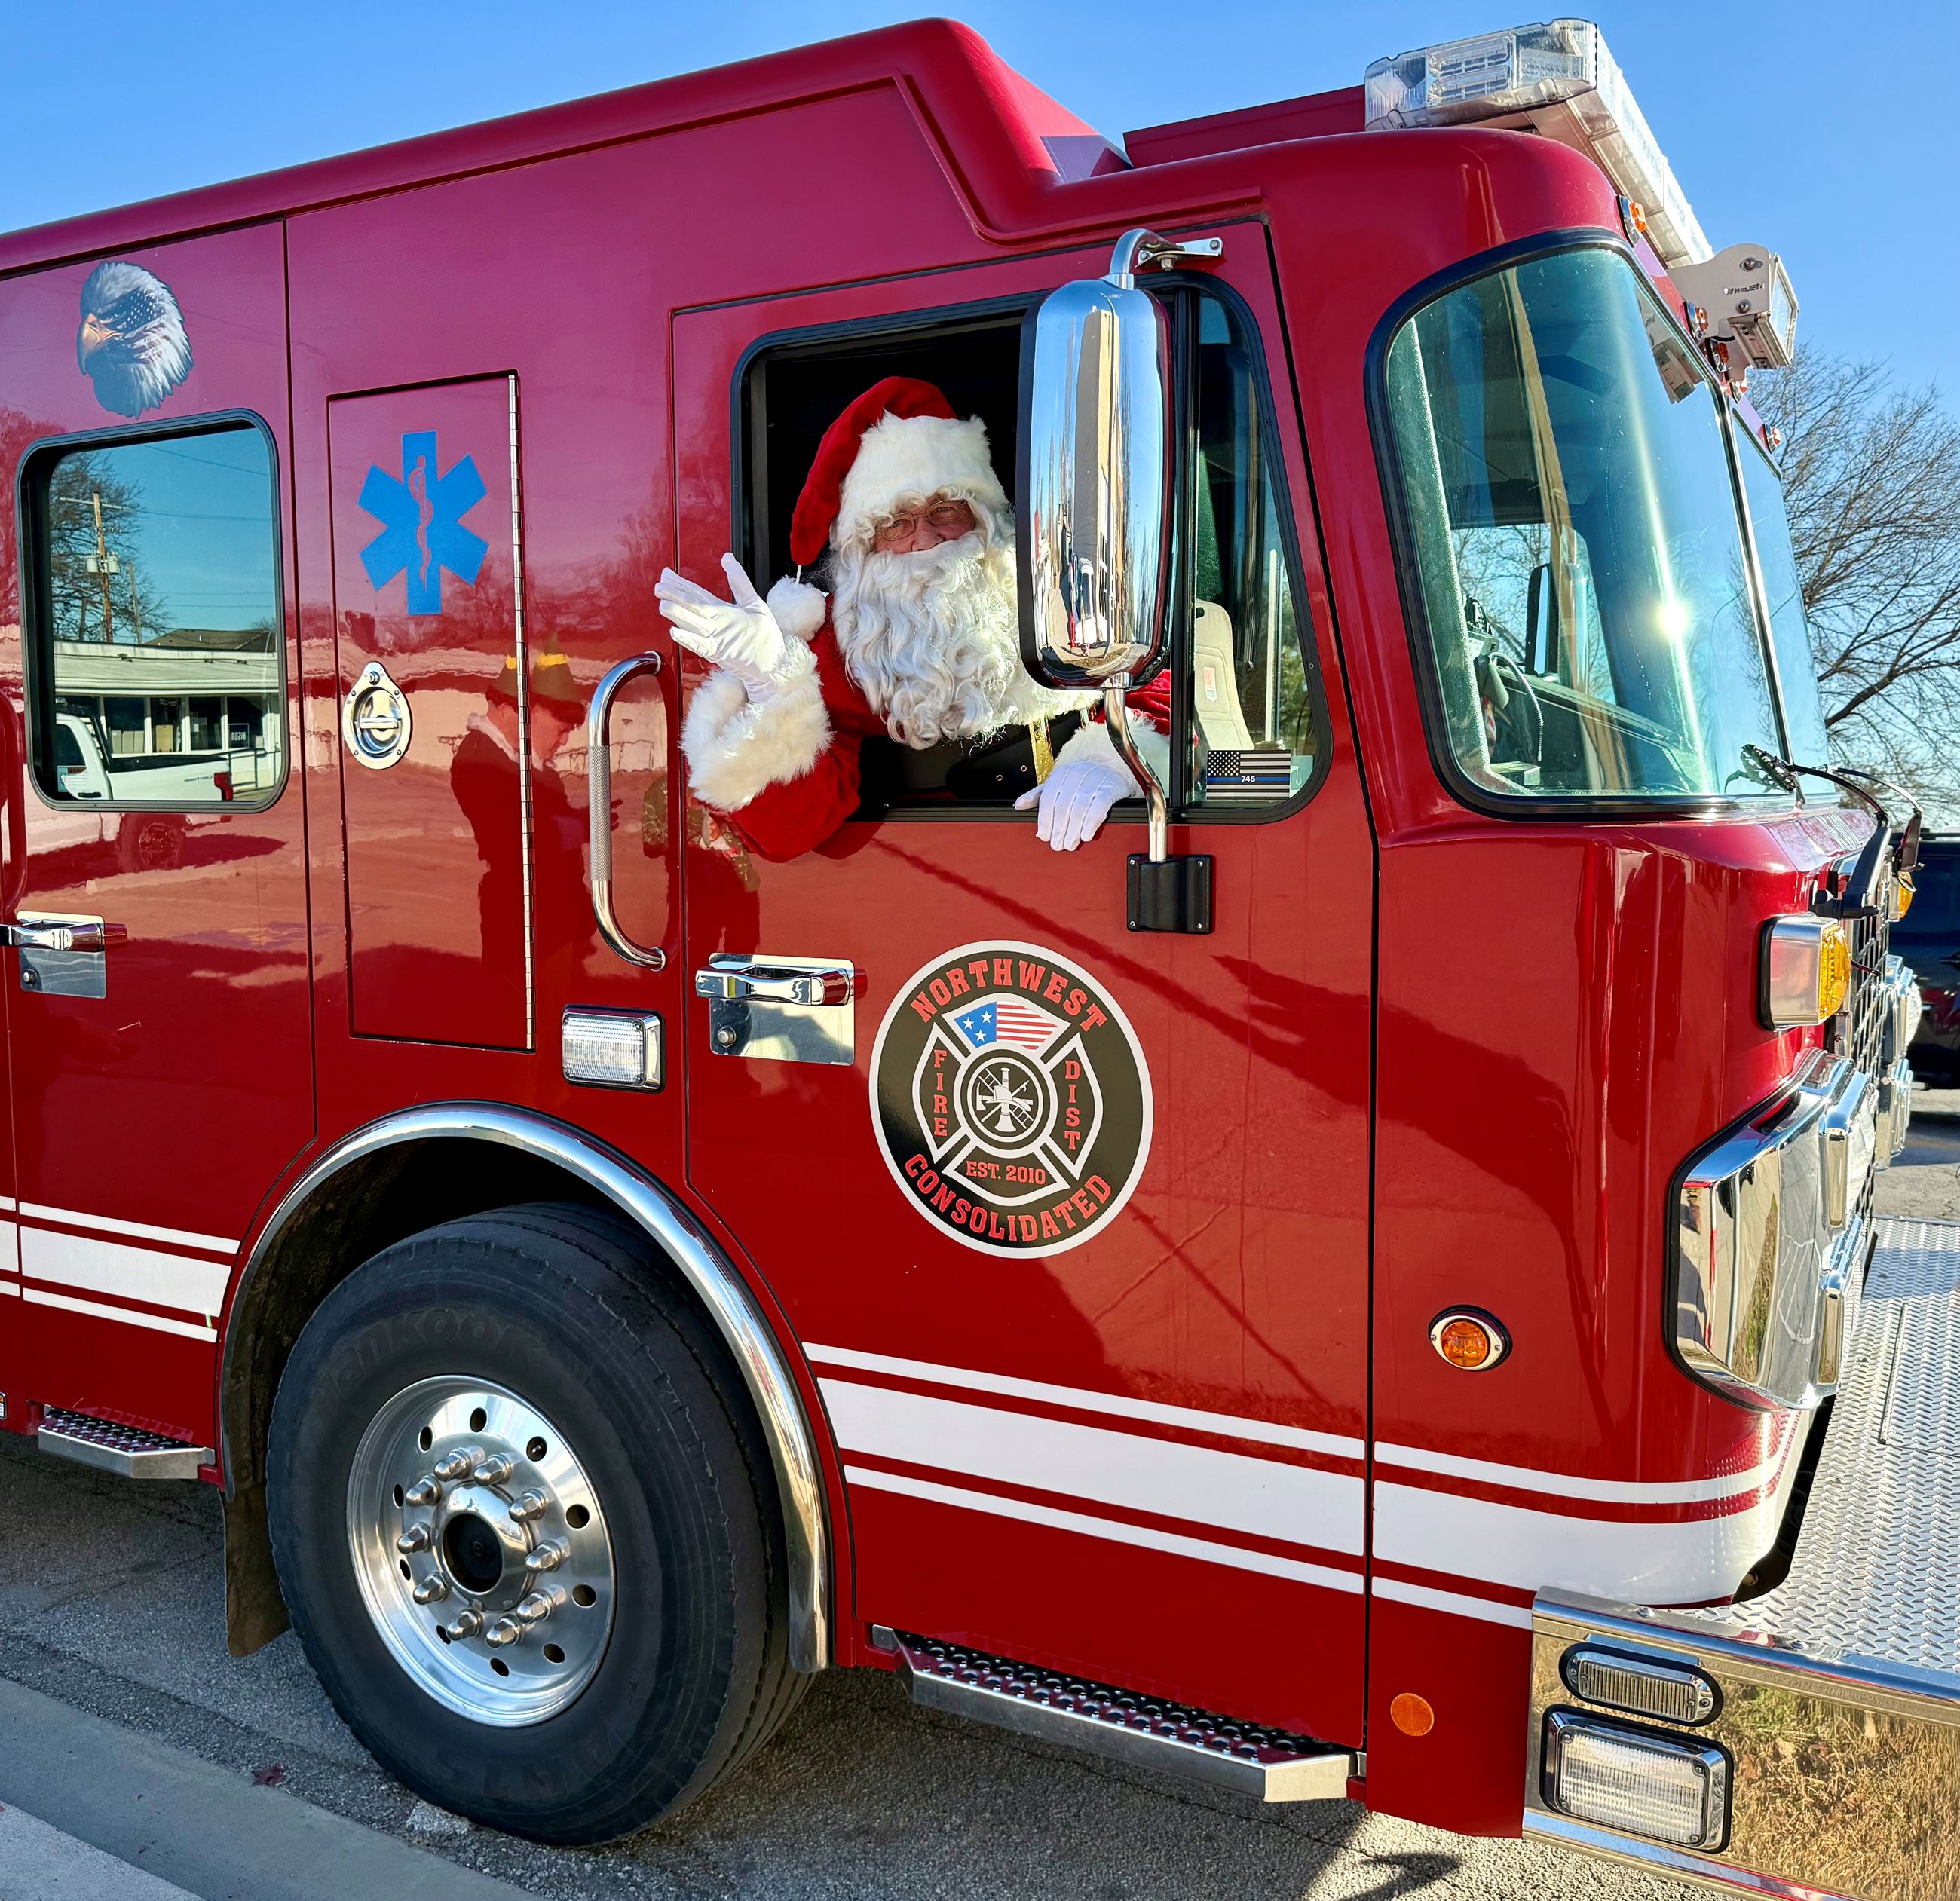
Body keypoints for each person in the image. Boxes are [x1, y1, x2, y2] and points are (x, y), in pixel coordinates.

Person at [657, 376, 1168, 861]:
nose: (925, 540)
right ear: (865, 546)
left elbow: (1162, 684)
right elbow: (790, 831)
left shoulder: (1065, 599)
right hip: (923, 893)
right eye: (897, 523)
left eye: (945, 510)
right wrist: (773, 686)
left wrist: (1115, 755)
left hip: (1091, 866)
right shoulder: (837, 651)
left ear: (984, 518)